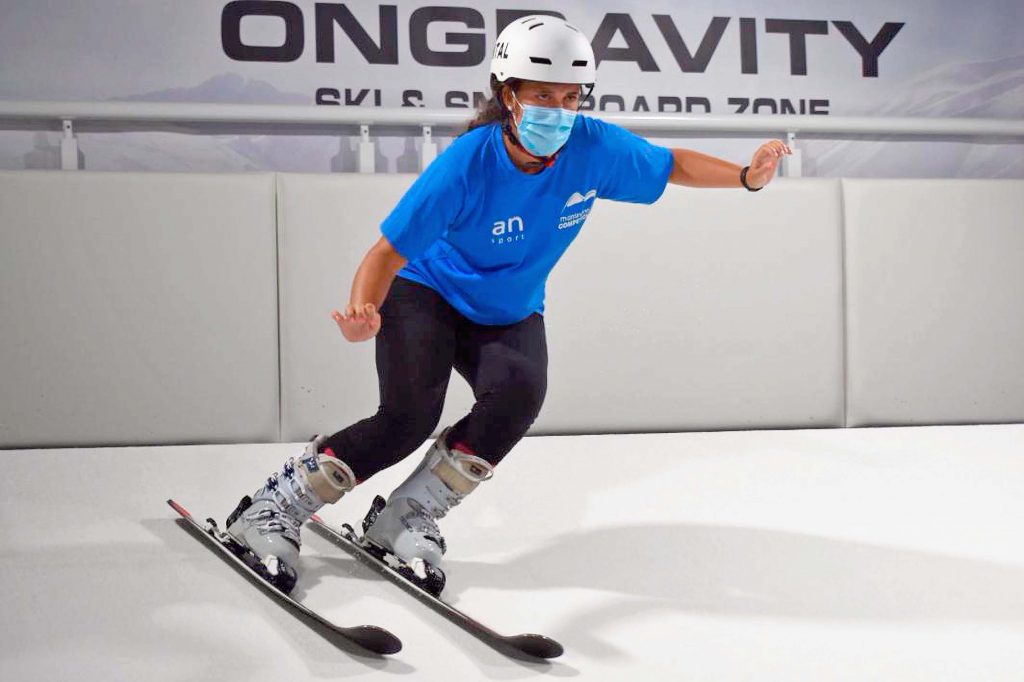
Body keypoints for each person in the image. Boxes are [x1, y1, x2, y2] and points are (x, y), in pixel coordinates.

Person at [224, 15, 792, 594]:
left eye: (571, 97)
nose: (559, 109)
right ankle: (273, 508)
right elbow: (384, 255)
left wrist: (747, 176)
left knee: (518, 396)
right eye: (543, 95)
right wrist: (362, 315)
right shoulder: (467, 163)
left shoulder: (593, 147)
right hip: (429, 292)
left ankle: (404, 519)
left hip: (509, 308)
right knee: (408, 419)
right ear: (508, 92)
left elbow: (669, 165)